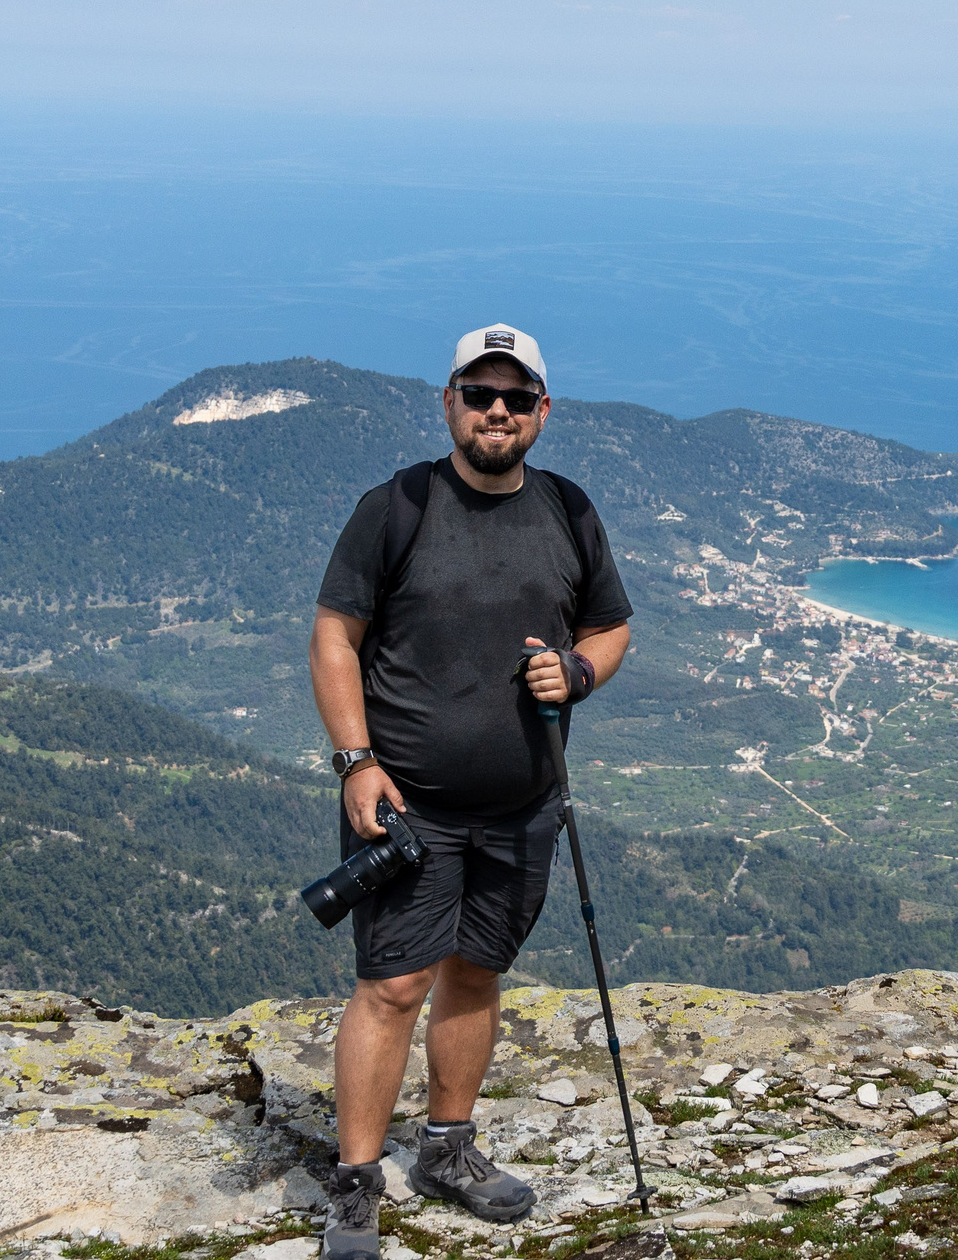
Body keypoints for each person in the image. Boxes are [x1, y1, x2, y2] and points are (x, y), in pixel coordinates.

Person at [307, 323, 633, 1258]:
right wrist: (355, 761)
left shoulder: (569, 511)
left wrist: (576, 671)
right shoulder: (399, 506)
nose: (498, 410)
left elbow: (611, 627)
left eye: (516, 397)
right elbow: (336, 635)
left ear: (542, 412)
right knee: (392, 982)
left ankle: (448, 1148)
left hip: (526, 804)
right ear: (448, 402)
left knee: (478, 969)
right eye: (480, 393)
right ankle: (358, 1185)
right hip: (408, 804)